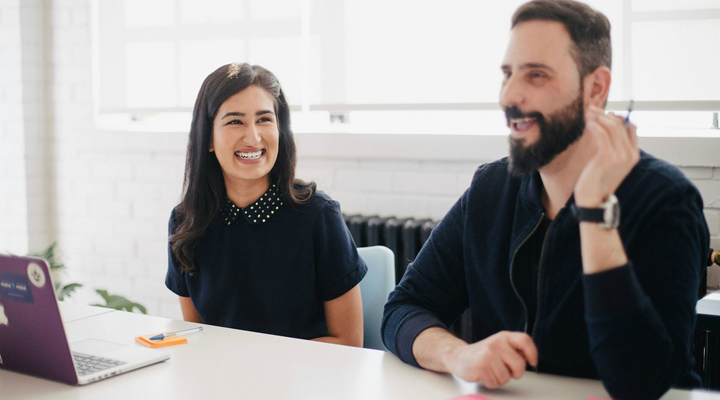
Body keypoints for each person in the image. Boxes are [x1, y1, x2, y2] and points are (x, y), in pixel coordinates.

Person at [381, 1, 709, 399]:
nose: (510, 95)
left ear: (595, 88)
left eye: (536, 75)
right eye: (507, 74)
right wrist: (457, 354)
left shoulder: (667, 201)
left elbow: (643, 384)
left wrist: (594, 211)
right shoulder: (491, 188)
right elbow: (403, 309)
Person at [166, 63, 366, 347]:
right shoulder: (186, 221)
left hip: (305, 384)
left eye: (264, 119)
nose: (253, 137)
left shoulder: (318, 216)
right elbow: (198, 335)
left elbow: (348, 342)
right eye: (235, 121)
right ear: (208, 137)